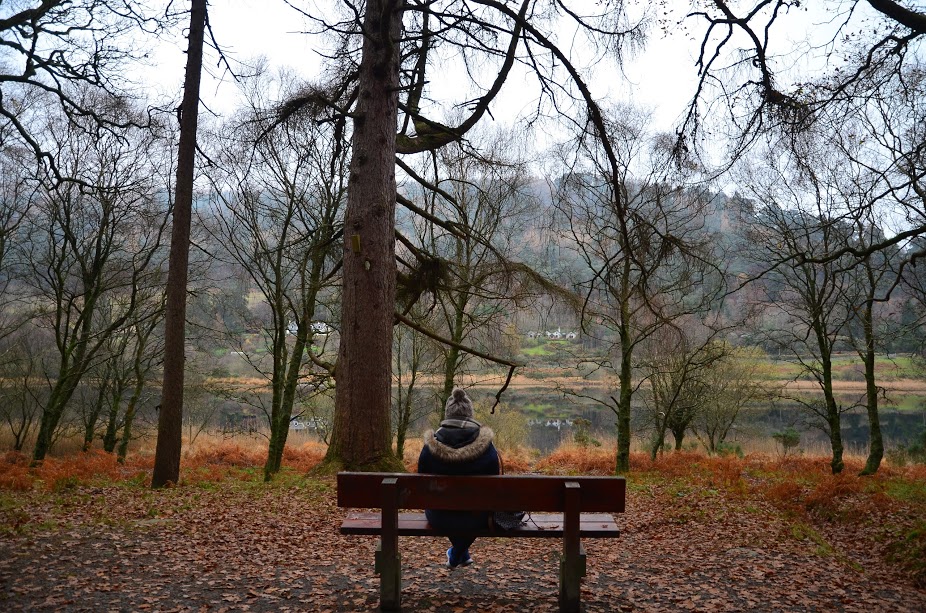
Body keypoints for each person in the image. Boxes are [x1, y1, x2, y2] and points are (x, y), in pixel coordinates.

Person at [417, 387, 501, 569]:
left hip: (439, 516)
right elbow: (496, 486)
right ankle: (457, 553)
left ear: (448, 415)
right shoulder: (487, 447)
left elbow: (420, 483)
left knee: (449, 510)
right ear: (470, 415)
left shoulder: (429, 448)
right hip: (478, 517)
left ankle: (456, 554)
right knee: (475, 511)